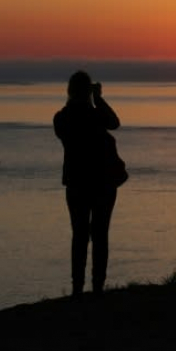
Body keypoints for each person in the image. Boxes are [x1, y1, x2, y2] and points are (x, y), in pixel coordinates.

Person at [53, 71, 121, 296]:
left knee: (79, 233)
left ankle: (77, 286)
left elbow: (65, 126)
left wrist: (85, 100)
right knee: (100, 234)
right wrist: (98, 99)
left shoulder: (62, 117)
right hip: (103, 182)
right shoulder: (95, 116)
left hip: (77, 182)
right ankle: (98, 285)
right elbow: (114, 123)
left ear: (70, 91)